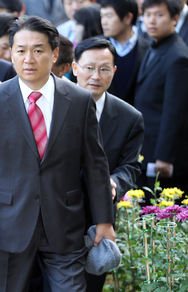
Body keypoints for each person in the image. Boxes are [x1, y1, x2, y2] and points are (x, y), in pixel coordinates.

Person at [0, 16, 115, 292]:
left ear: (55, 53)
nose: (29, 59)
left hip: (65, 223)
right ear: (11, 53)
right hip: (7, 225)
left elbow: (96, 164)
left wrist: (104, 221)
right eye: (21, 50)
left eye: (38, 50)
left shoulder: (79, 100)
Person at [72, 36, 144, 292]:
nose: (95, 75)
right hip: (55, 213)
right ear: (74, 68)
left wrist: (113, 182)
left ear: (114, 72)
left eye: (104, 69)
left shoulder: (129, 117)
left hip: (97, 217)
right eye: (89, 67)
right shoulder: (55, 105)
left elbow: (131, 166)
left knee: (91, 284)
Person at [134, 0, 188, 196]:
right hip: (147, 143)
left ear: (175, 18)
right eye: (147, 15)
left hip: (160, 152)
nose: (151, 21)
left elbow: (174, 111)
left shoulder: (178, 56)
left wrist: (164, 156)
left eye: (159, 15)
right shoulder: (155, 45)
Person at [100, 0, 149, 105]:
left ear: (128, 18)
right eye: (102, 16)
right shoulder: (96, 48)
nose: (103, 22)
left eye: (109, 16)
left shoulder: (148, 50)